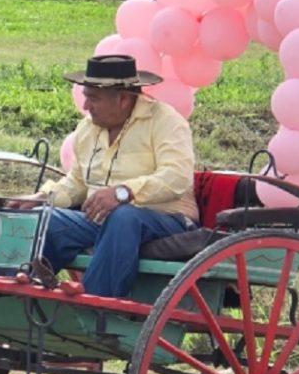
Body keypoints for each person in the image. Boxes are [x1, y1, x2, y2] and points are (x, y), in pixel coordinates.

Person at [12, 54, 199, 298]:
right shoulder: (88, 128)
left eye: (93, 98)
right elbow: (76, 184)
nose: (86, 106)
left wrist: (124, 193)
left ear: (122, 99)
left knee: (124, 217)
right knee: (43, 218)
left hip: (167, 220)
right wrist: (41, 197)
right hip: (102, 221)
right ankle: (13, 295)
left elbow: (177, 177)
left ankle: (97, 308)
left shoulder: (166, 121)